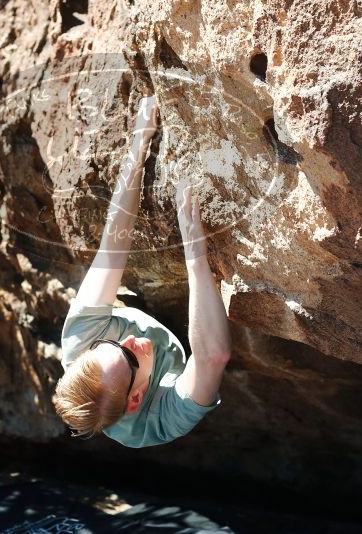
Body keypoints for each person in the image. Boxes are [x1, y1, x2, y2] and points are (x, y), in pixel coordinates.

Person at [53, 95, 232, 448]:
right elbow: (213, 356)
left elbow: (112, 248)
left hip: (138, 309)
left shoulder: (79, 341)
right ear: (136, 398)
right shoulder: (160, 422)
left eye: (109, 344)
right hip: (187, 359)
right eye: (128, 355)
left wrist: (139, 142)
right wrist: (194, 247)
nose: (129, 339)